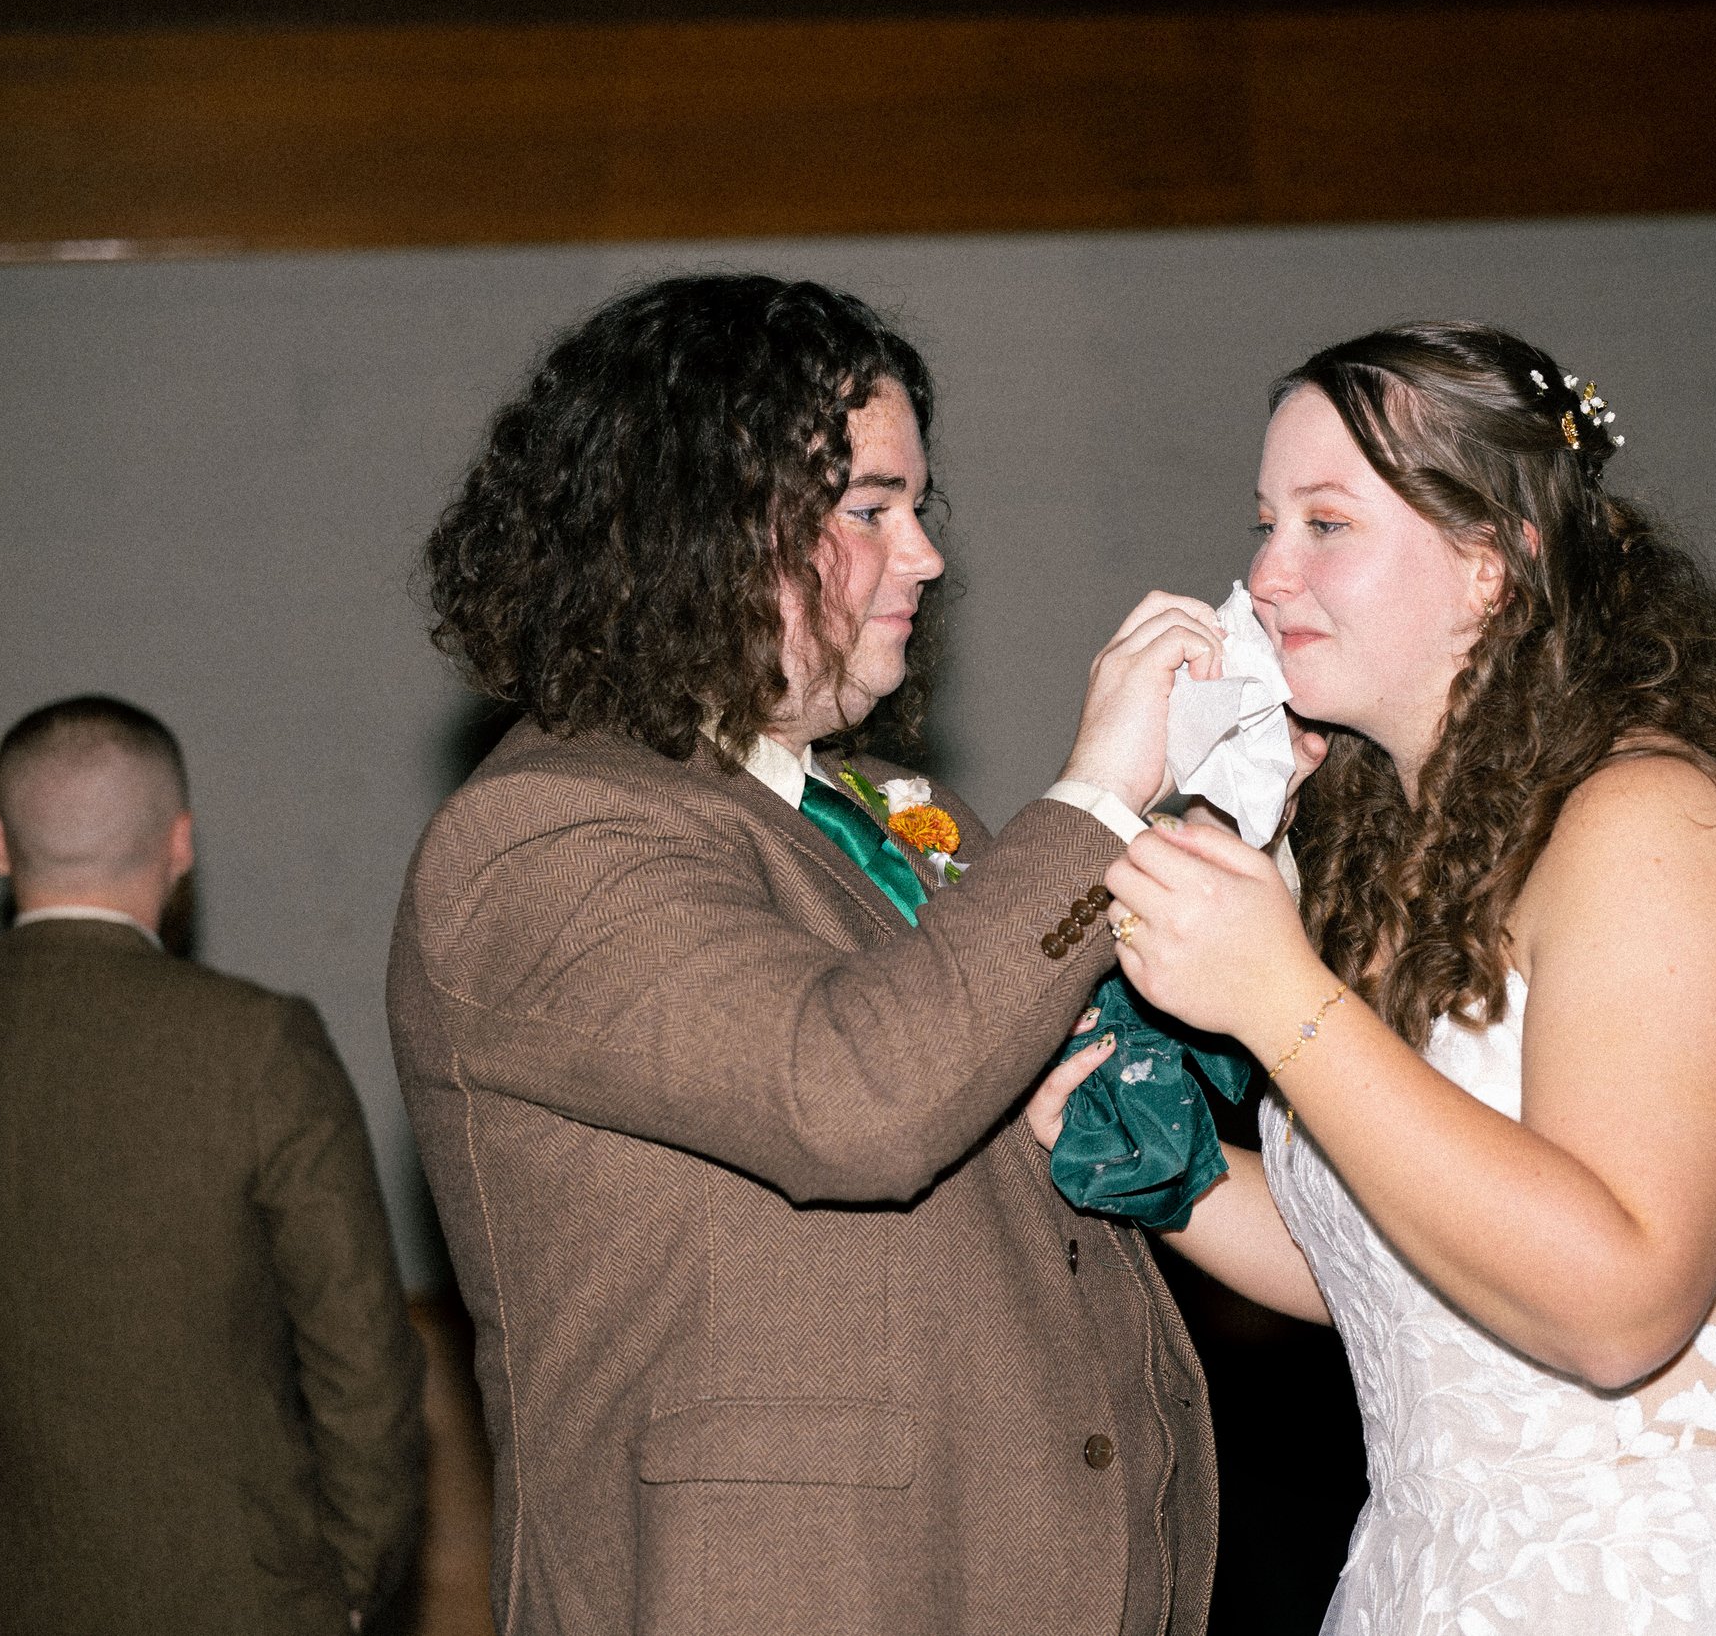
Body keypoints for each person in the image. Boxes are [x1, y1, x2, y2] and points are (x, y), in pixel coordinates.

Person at [1031, 323, 1716, 1633]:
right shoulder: (1402, 855)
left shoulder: (1655, 824)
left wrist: (1282, 998)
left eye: (1326, 524)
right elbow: (1401, 1260)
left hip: (1666, 1585)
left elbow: (1620, 1306)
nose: (1267, 575)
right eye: (1266, 522)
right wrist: (1154, 1158)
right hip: (1435, 1580)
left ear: (1492, 560)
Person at [390, 274, 1224, 1634]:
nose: (927, 556)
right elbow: (858, 1097)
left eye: (919, 505)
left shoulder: (879, 809)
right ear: (702, 531)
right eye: (870, 508)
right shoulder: (538, 836)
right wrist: (1095, 797)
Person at [0, 695, 425, 1634]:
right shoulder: (257, 1045)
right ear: (181, 842)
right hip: (241, 1602)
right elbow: (363, 1359)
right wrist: (349, 1584)